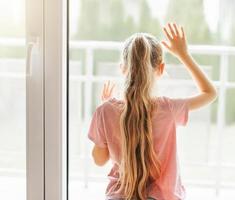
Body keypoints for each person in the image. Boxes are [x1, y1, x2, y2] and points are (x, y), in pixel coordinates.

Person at [87, 23, 217, 200]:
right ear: (161, 69)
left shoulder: (105, 111)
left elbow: (99, 159)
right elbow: (210, 93)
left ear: (123, 68)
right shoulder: (168, 109)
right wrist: (183, 55)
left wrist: (105, 114)